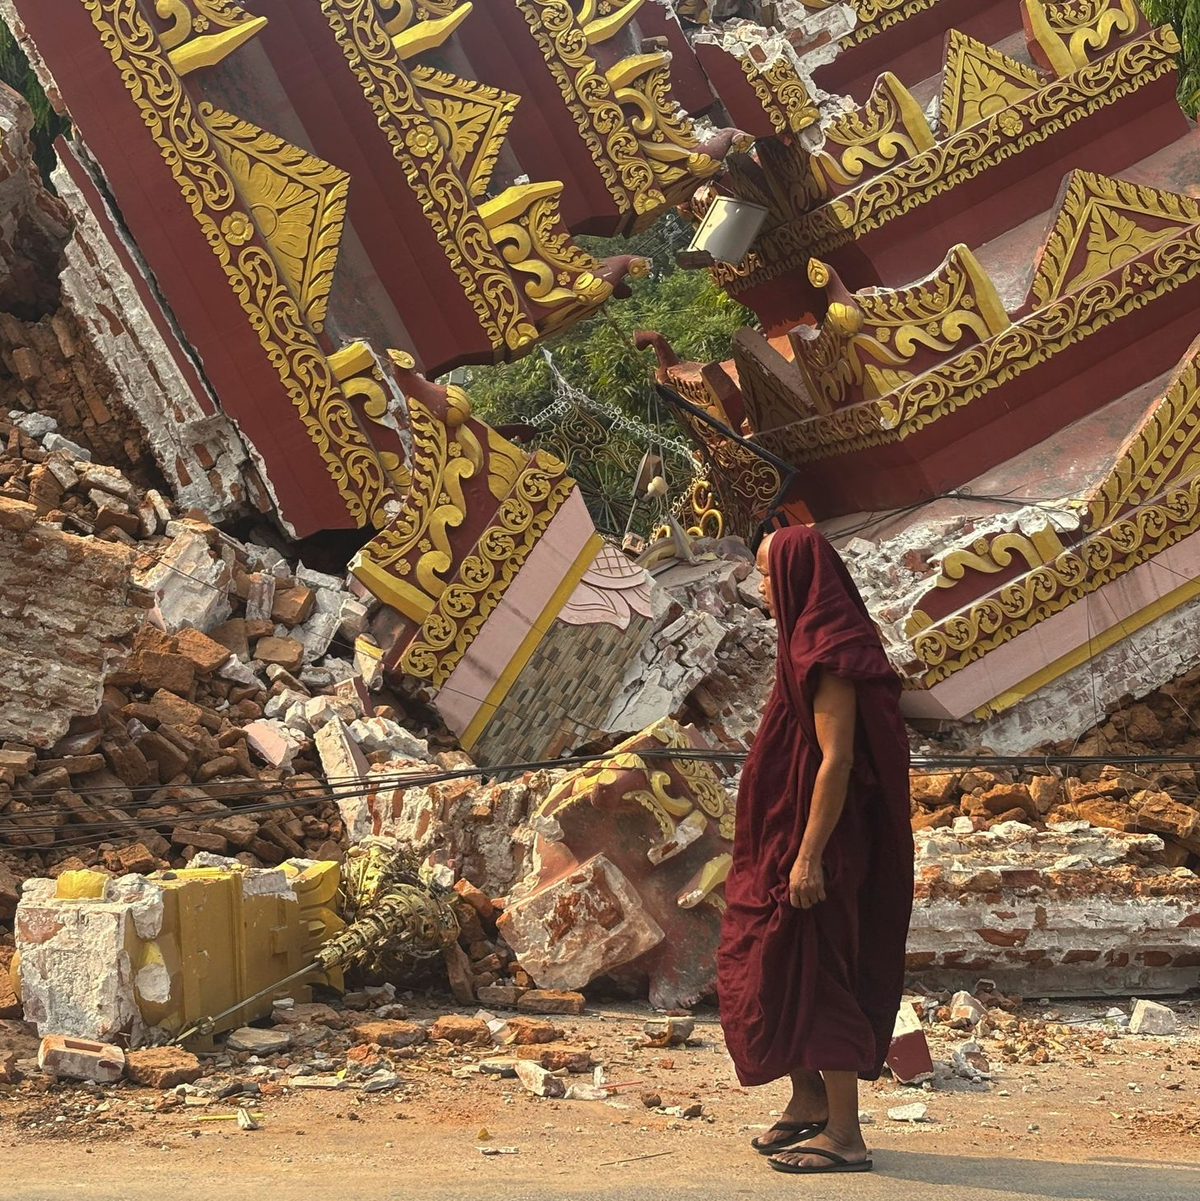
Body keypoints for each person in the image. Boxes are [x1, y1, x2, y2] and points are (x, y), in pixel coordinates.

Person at [717, 524, 913, 1176]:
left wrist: (807, 857)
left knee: (820, 973)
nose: (761, 587)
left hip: (819, 847)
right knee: (774, 963)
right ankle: (807, 1102)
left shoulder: (832, 651)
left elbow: (837, 760)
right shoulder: (801, 639)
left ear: (800, 577)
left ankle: (846, 1134)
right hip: (781, 840)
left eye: (770, 575)